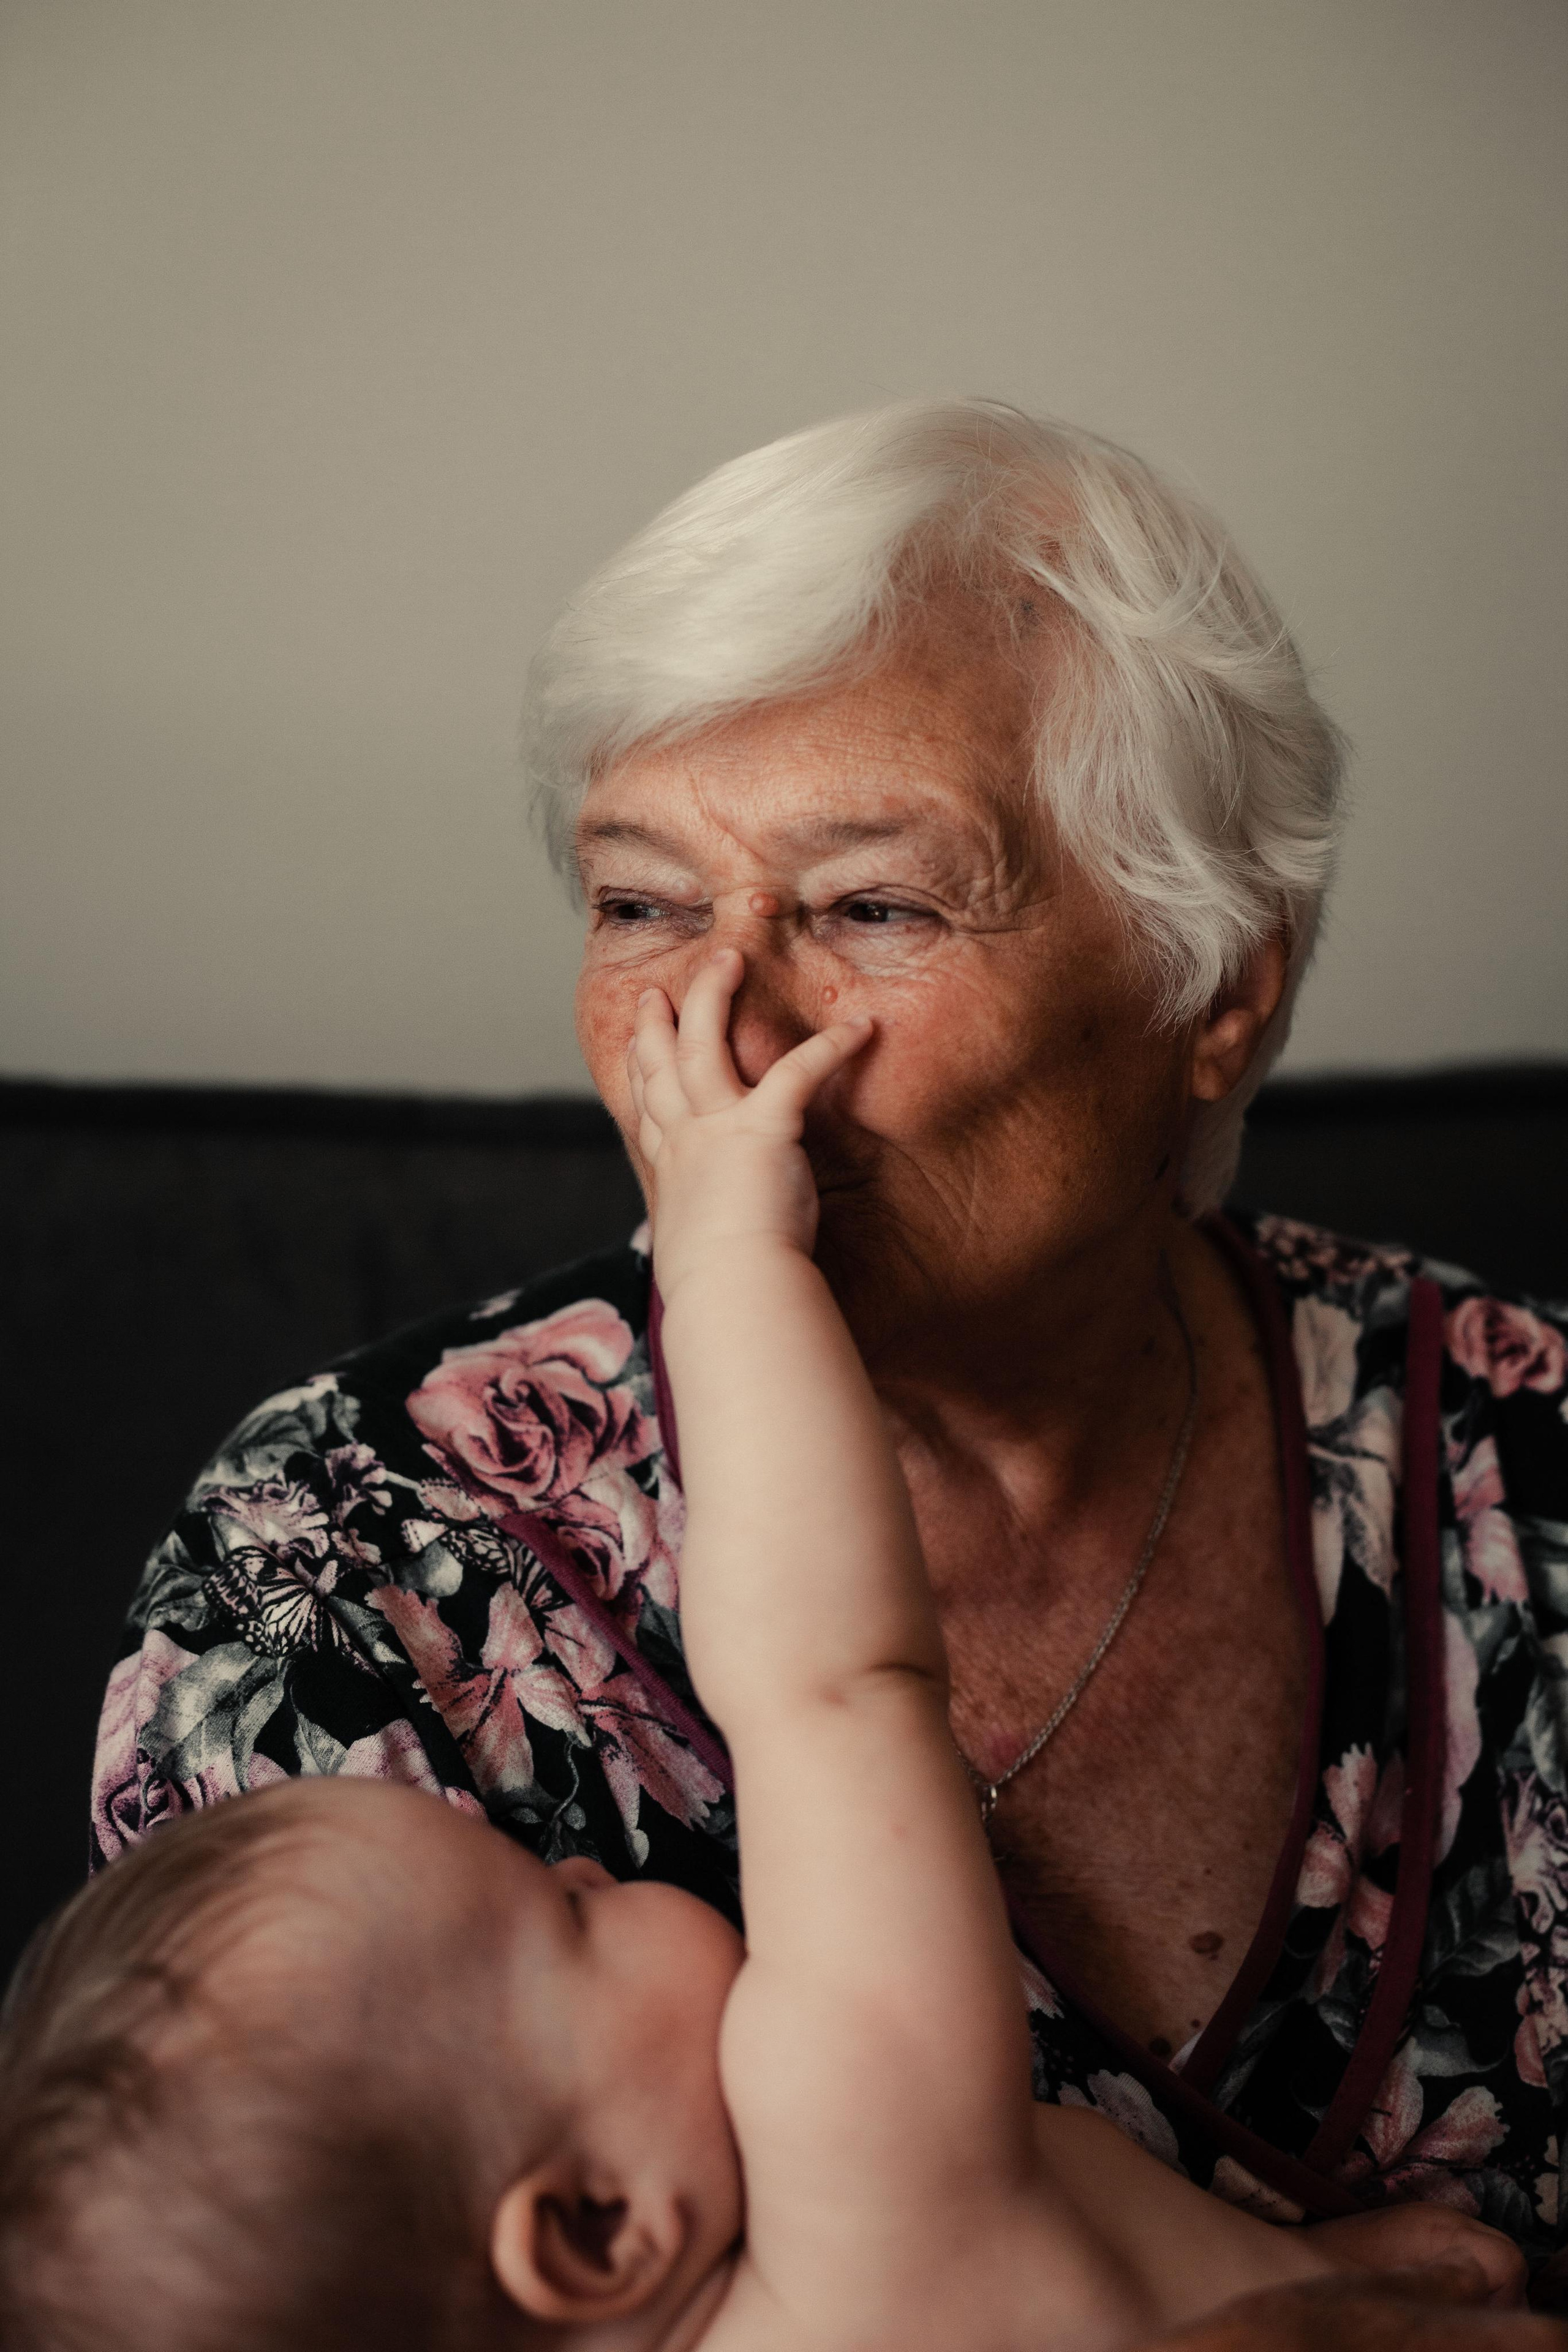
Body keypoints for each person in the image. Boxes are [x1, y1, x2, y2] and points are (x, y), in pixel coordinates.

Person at [88, 402, 1568, 2325]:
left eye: (876, 904)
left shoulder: (1525, 1454)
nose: (723, 1020)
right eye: (641, 902)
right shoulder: (352, 1572)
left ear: (1219, 992)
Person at [0, 959, 1525, 2347]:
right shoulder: (866, 2200)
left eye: (876, 905)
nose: (591, 1869)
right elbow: (828, 1681)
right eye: (566, 1921)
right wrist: (726, 1258)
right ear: (599, 2228)